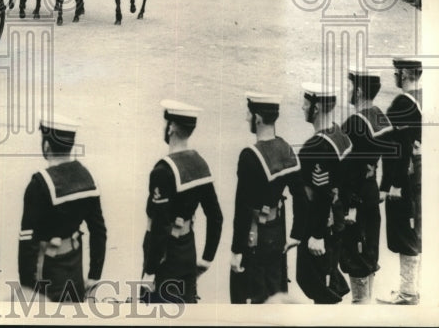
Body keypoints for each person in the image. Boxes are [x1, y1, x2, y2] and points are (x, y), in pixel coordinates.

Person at [18, 115, 107, 303]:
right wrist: (94, 274)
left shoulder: (39, 185)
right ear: (71, 145)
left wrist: (27, 288)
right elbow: (99, 231)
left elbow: (27, 245)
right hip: (75, 267)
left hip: (48, 272)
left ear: (46, 146)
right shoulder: (87, 178)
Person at [141, 101, 222, 304]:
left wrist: (150, 271)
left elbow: (160, 225)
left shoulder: (162, 171)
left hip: (165, 257)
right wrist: (206, 259)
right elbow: (216, 216)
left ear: (171, 127)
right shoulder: (200, 163)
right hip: (189, 249)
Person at [229, 93, 301, 304]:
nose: (246, 118)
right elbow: (301, 196)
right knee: (275, 294)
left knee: (248, 300)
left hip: (254, 239)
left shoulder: (249, 156)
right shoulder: (286, 148)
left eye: (248, 114)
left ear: (257, 118)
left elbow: (241, 209)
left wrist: (236, 250)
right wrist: (296, 234)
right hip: (277, 235)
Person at [288, 82, 352, 304]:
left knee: (315, 284)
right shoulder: (340, 134)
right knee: (326, 279)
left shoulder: (315, 147)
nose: (303, 108)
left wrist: (317, 235)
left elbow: (321, 193)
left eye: (306, 104)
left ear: (315, 108)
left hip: (321, 225)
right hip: (337, 220)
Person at [340, 67, 392, 304]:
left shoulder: (353, 123)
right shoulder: (381, 117)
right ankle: (367, 306)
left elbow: (347, 171)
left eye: (351, 86)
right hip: (372, 194)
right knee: (369, 255)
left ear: (359, 90)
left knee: (356, 259)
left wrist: (347, 208)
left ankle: (361, 310)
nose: (348, 91)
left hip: (356, 201)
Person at [377, 57, 422, 305]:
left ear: (404, 74)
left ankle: (407, 292)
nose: (394, 76)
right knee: (417, 230)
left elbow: (399, 147)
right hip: (423, 175)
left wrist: (391, 184)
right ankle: (413, 288)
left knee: (404, 232)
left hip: (405, 178)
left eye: (397, 72)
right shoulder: (426, 99)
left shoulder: (402, 104)